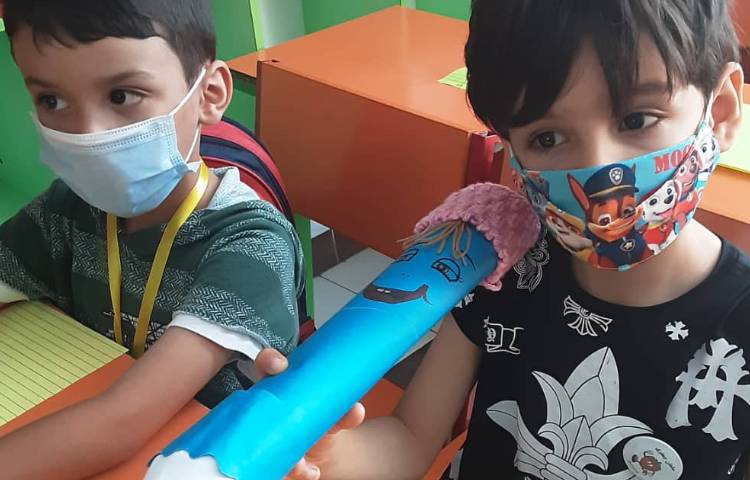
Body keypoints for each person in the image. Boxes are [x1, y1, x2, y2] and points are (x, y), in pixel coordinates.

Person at [271, 1, 750, 478]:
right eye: (548, 138)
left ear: (721, 111)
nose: (598, 168)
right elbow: (411, 435)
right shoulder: (505, 261)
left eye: (637, 119)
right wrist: (323, 455)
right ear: (512, 150)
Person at [0, 1, 303, 478]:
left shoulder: (253, 243)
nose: (89, 133)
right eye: (51, 101)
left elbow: (121, 421)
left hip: (206, 456)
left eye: (121, 95)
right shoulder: (68, 208)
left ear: (208, 94)